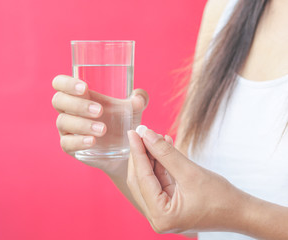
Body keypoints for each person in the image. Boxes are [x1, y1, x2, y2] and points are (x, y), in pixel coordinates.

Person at [51, 0, 288, 239]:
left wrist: (239, 212)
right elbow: (192, 216)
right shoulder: (226, 9)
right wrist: (118, 156)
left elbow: (220, 213)